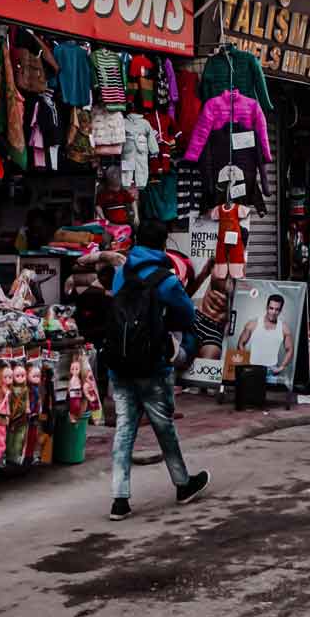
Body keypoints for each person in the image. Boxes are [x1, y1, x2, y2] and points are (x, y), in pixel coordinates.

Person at [105, 220, 209, 520]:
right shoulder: (167, 280)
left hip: (120, 364)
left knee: (124, 430)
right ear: (164, 244)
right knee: (164, 426)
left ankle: (119, 499)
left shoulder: (121, 272)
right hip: (153, 365)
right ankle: (183, 484)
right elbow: (188, 314)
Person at [235, 293, 296, 384]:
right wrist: (246, 363)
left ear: (280, 311)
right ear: (267, 307)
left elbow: (290, 349)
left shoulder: (284, 328)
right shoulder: (253, 323)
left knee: (269, 397)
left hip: (271, 371)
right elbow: (241, 343)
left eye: (277, 309)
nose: (273, 312)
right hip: (252, 368)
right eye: (271, 308)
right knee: (250, 395)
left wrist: (281, 367)